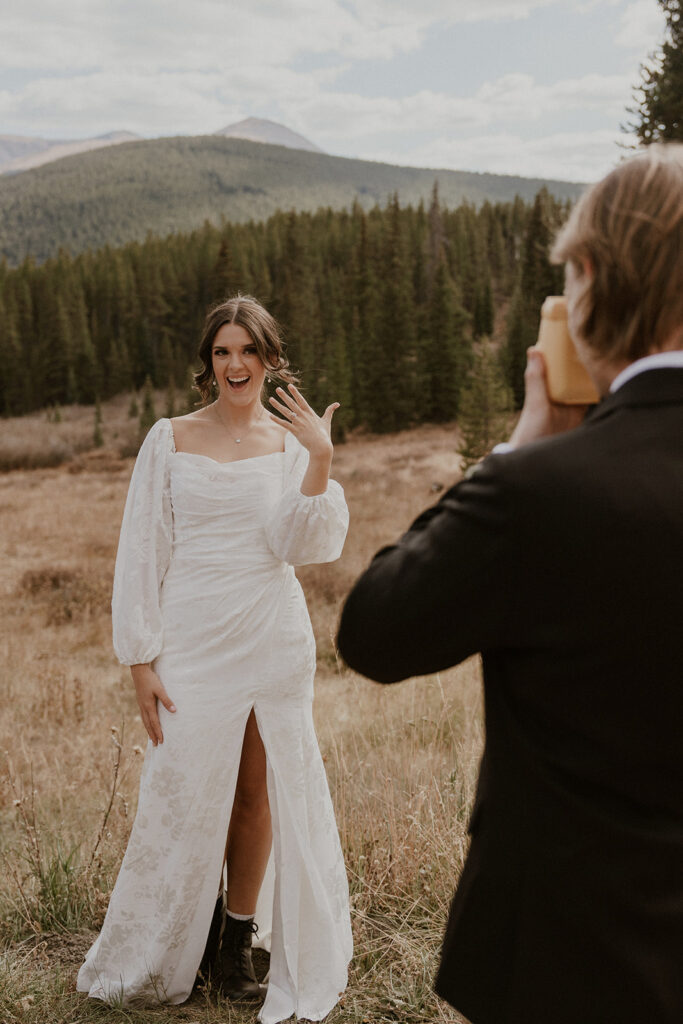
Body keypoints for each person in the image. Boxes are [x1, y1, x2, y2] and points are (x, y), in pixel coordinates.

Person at [337, 144, 683, 1024]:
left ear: (594, 284)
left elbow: (373, 632)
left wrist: (517, 451)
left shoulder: (538, 493)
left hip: (564, 962)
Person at [78, 295, 353, 1024]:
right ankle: (175, 940)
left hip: (271, 634)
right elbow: (143, 550)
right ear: (208, 362)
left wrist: (320, 459)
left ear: (269, 359)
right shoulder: (168, 439)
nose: (235, 365)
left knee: (256, 793)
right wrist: (140, 660)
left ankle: (236, 943)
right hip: (192, 638)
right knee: (182, 787)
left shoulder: (291, 441)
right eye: (222, 352)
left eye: (248, 352)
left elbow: (307, 546)